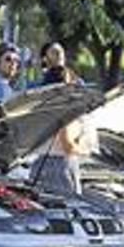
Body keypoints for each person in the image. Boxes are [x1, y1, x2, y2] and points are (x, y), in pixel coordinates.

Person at [29, 66, 86, 194]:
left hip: (40, 164)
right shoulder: (63, 109)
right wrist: (84, 149)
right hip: (59, 168)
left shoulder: (40, 107)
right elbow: (67, 145)